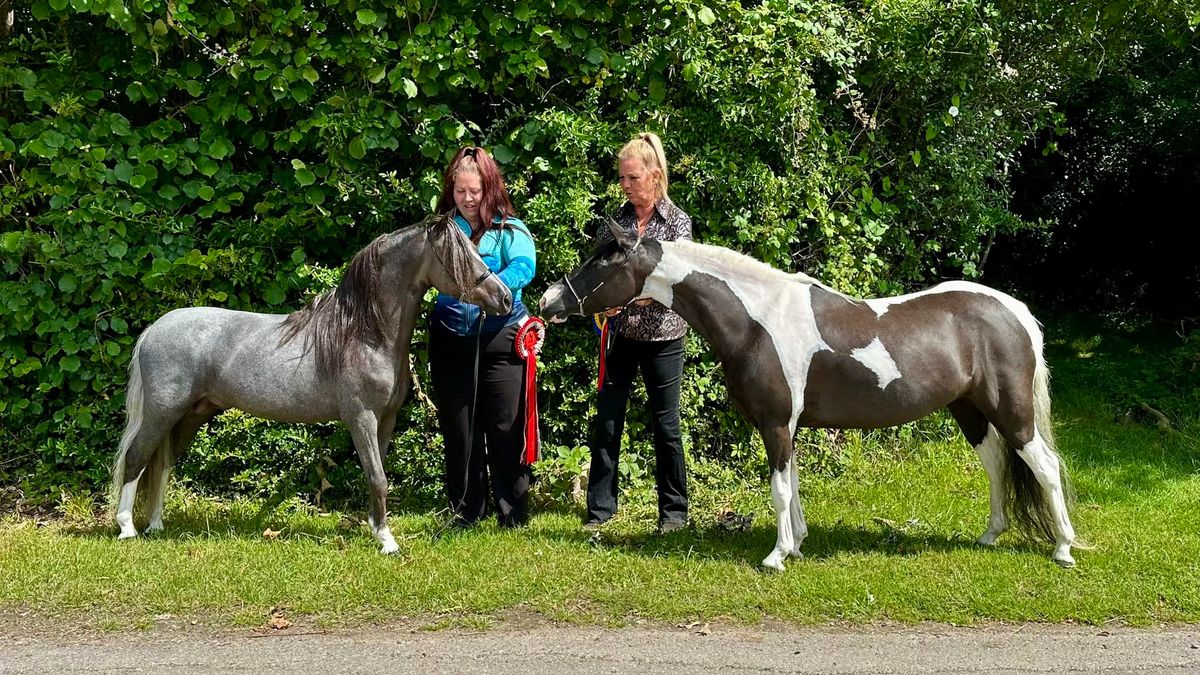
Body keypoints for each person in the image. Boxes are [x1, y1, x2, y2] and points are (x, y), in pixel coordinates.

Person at [586, 132, 692, 533]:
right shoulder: (618, 221)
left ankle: (674, 514)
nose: (625, 186)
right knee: (608, 422)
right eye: (622, 179)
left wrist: (630, 300)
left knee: (666, 427)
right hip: (620, 337)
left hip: (664, 338)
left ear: (655, 175)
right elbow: (598, 273)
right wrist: (604, 304)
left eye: (632, 178)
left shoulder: (678, 223)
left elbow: (678, 284)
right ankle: (599, 512)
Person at [428, 146, 537, 528]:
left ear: (489, 188)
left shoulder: (511, 229)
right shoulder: (440, 231)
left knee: (505, 427)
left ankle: (513, 513)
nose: (468, 199)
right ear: (451, 190)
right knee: (460, 430)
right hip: (449, 340)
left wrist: (490, 289)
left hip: (502, 338)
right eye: (460, 192)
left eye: (475, 191)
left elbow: (525, 266)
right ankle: (465, 510)